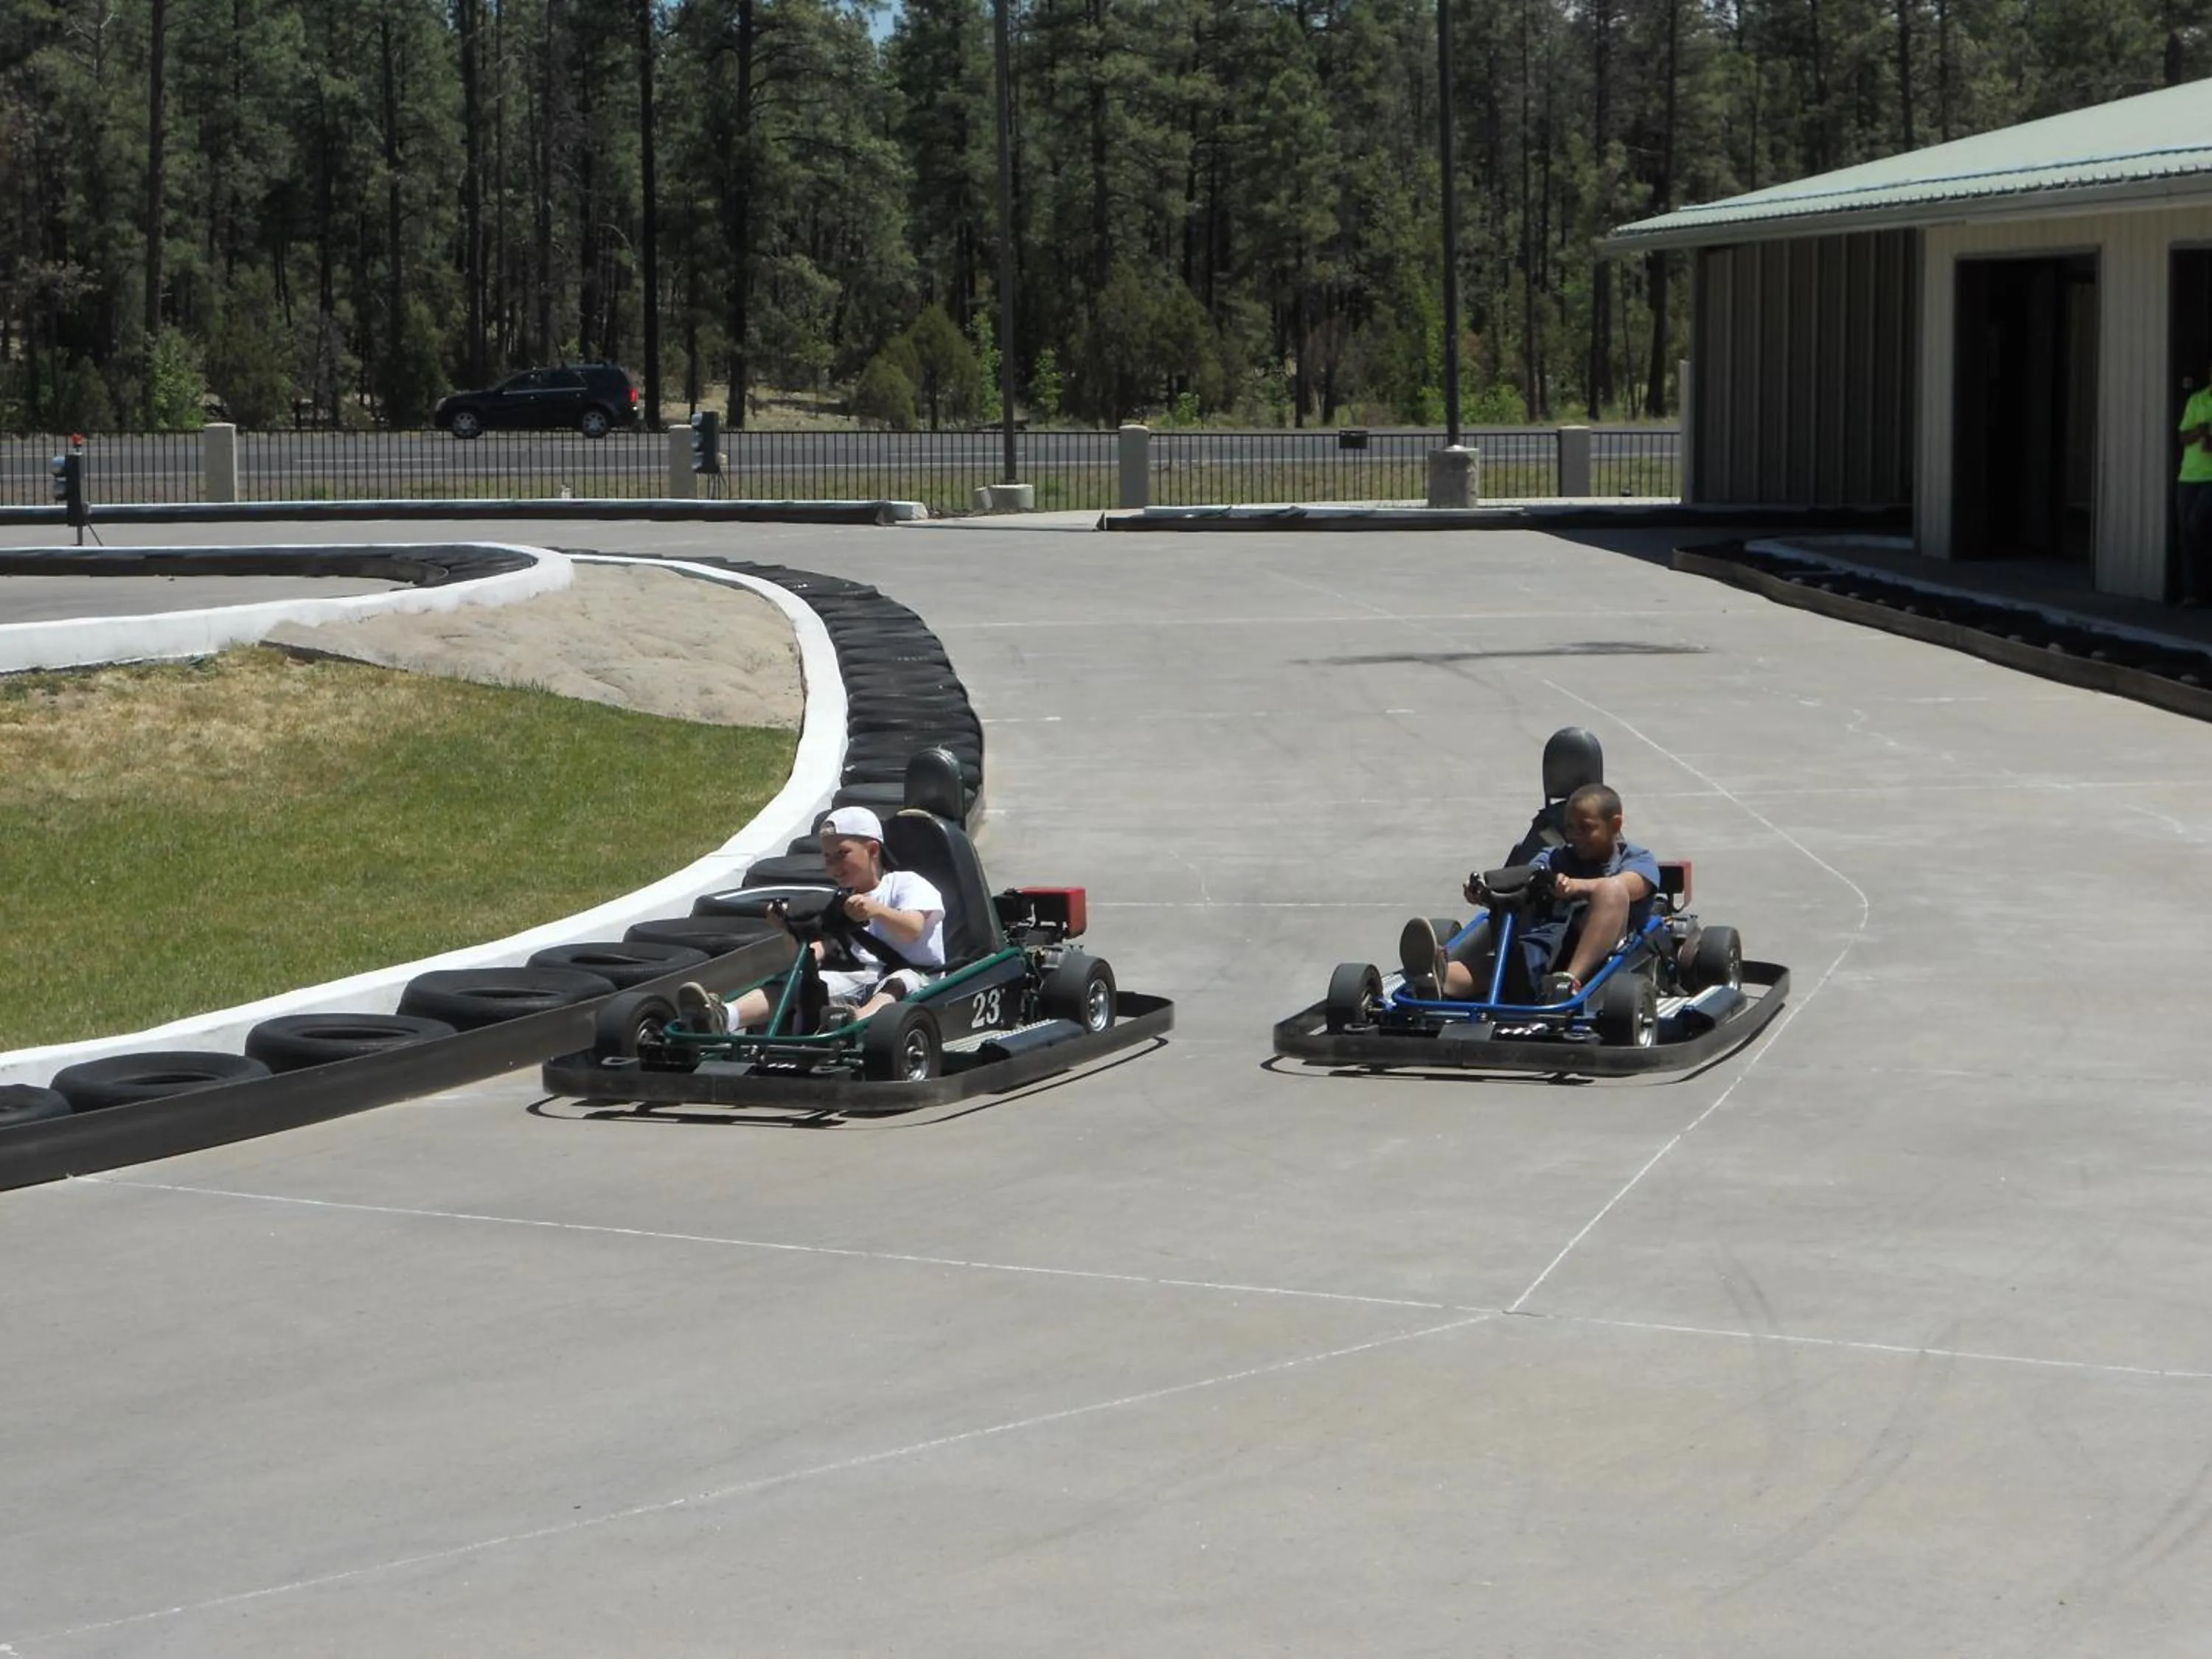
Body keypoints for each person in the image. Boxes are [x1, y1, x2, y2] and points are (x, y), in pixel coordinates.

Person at [677, 805, 946, 1034]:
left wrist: (877, 911)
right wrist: (789, 930)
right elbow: (810, 954)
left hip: (921, 979)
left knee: (899, 980)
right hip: (862, 977)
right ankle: (725, 1017)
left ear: (873, 850)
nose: (834, 866)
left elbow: (913, 929)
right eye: (828, 858)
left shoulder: (905, 884)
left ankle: (858, 1024)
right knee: (800, 981)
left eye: (842, 855)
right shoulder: (838, 901)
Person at [1399, 782, 1660, 1005]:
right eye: (1570, 828)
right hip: (1546, 944)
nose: (1575, 836)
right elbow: (1526, 875)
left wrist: (1575, 886)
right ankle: (1434, 976)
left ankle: (1567, 982)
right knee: (1500, 968)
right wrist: (1486, 892)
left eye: (1585, 828)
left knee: (1610, 889)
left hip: (1595, 955)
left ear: (1615, 825)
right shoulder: (1555, 856)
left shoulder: (1636, 858)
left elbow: (1631, 886)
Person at [2177, 369, 2212, 608]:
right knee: (2186, 534)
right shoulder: (2197, 400)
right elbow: (2182, 436)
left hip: (2211, 477)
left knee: (2196, 524)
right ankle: (2193, 592)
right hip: (2188, 475)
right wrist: (2199, 432)